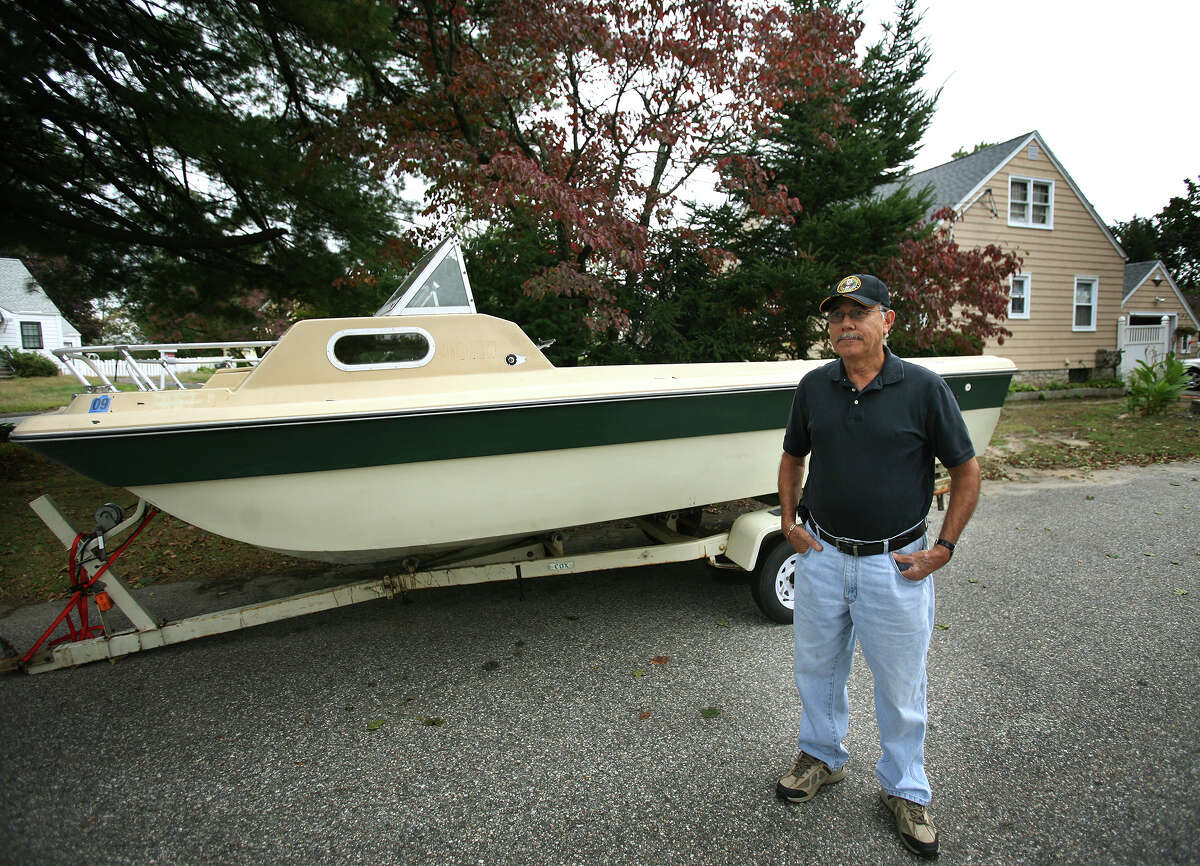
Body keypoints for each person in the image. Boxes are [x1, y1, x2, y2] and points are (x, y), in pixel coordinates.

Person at [775, 274, 981, 858]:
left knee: (900, 685)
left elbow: (966, 472)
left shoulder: (923, 388)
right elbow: (793, 458)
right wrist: (789, 522)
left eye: (859, 312)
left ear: (887, 321)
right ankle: (822, 756)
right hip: (821, 556)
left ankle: (905, 789)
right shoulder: (814, 386)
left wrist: (943, 547)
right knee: (816, 668)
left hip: (894, 565)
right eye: (837, 314)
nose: (845, 323)